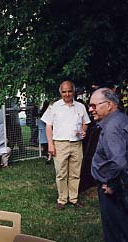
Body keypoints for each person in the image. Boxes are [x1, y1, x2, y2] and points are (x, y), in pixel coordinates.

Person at [89, 88, 128, 242]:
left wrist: (111, 184)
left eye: (94, 105)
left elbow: (118, 162)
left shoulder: (112, 128)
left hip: (116, 191)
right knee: (126, 233)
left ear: (109, 105)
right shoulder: (124, 120)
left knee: (116, 239)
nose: (91, 109)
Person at [41, 81, 91, 210]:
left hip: (76, 144)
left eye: (69, 91)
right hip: (60, 144)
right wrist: (50, 145)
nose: (67, 94)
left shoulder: (80, 106)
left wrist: (83, 130)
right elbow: (48, 126)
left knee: (75, 173)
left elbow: (86, 123)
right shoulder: (54, 106)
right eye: (64, 92)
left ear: (73, 91)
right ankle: (62, 200)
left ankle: (73, 199)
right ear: (60, 92)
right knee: (61, 173)